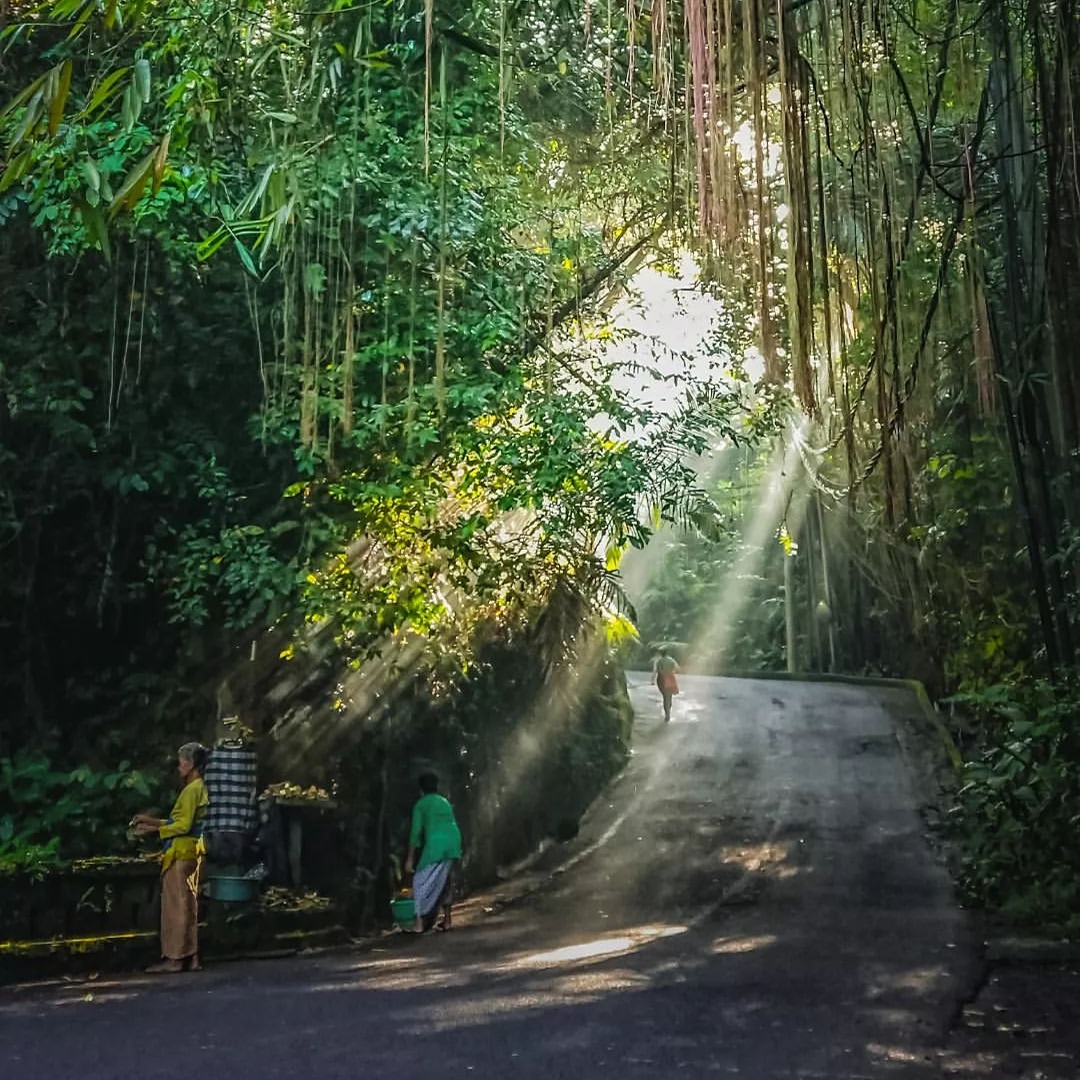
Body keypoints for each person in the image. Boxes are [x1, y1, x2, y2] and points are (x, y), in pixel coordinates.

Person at [132, 743, 210, 973]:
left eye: (182, 762)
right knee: (189, 906)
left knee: (176, 907)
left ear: (191, 764)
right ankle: (192, 957)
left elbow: (184, 826)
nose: (179, 767)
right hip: (195, 851)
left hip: (181, 853)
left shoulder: (191, 790)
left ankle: (175, 959)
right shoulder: (202, 788)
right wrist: (153, 822)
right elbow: (186, 822)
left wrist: (154, 830)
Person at [403, 771, 462, 934]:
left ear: (421, 789)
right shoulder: (444, 802)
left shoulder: (421, 804)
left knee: (418, 880)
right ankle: (447, 920)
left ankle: (419, 923)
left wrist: (410, 859)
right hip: (453, 842)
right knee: (445, 880)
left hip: (436, 844)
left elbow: (415, 833)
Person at [654, 652, 680, 722]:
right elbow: (677, 668)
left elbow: (658, 671)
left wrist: (653, 680)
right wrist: (671, 672)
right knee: (668, 697)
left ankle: (667, 714)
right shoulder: (672, 660)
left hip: (661, 679)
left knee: (665, 697)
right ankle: (668, 712)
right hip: (671, 679)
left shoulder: (660, 661)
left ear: (661, 654)